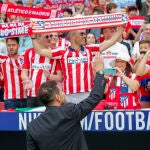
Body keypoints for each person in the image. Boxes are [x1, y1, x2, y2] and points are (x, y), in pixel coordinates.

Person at [26, 53, 106, 150]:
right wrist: (100, 73)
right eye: (61, 91)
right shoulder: (69, 111)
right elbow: (94, 97)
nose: (64, 93)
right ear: (58, 97)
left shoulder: (32, 126)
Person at [31, 27, 124, 103]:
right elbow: (39, 51)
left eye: (84, 34)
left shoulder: (89, 49)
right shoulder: (62, 51)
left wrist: (122, 28)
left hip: (87, 94)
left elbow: (111, 41)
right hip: (69, 96)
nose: (84, 36)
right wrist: (33, 38)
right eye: (81, 34)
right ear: (72, 37)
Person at [21, 33, 63, 107]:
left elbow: (60, 78)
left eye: (51, 36)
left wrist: (50, 76)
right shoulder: (29, 52)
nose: (50, 38)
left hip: (48, 96)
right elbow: (24, 72)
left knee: (48, 118)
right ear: (38, 38)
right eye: (47, 36)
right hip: (31, 94)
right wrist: (27, 79)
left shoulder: (54, 53)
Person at [0, 37, 27, 109]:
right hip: (10, 100)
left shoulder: (24, 58)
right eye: (9, 45)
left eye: (13, 45)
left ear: (18, 45)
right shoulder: (3, 58)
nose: (11, 47)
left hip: (26, 98)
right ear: (6, 46)